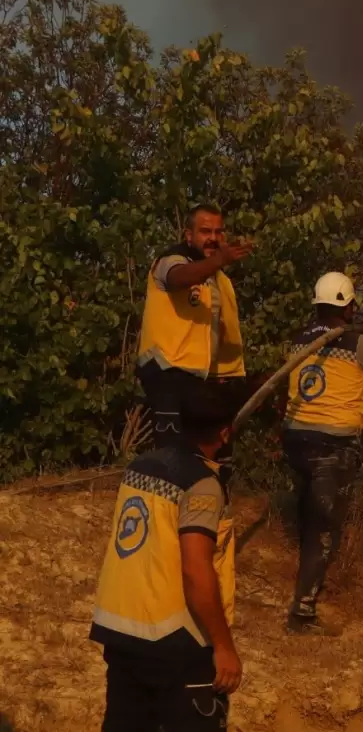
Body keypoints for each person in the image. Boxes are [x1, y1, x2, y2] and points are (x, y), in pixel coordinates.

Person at [84, 384, 251, 732]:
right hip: (177, 636)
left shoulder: (141, 466)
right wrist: (222, 645)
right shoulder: (201, 485)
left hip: (123, 626)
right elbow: (196, 570)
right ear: (224, 433)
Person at [135, 202, 253, 600]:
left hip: (201, 379)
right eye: (205, 232)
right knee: (171, 462)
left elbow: (221, 335)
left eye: (218, 232)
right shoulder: (171, 261)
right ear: (189, 235)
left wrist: (232, 379)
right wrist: (218, 260)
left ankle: (196, 551)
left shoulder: (219, 281)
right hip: (167, 372)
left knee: (205, 463)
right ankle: (158, 550)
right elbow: (180, 278)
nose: (213, 238)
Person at [282, 272, 363, 633]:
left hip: (296, 439)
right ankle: (302, 614)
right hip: (332, 445)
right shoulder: (357, 342)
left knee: (308, 517)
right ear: (348, 306)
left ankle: (306, 582)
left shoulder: (299, 339)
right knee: (324, 528)